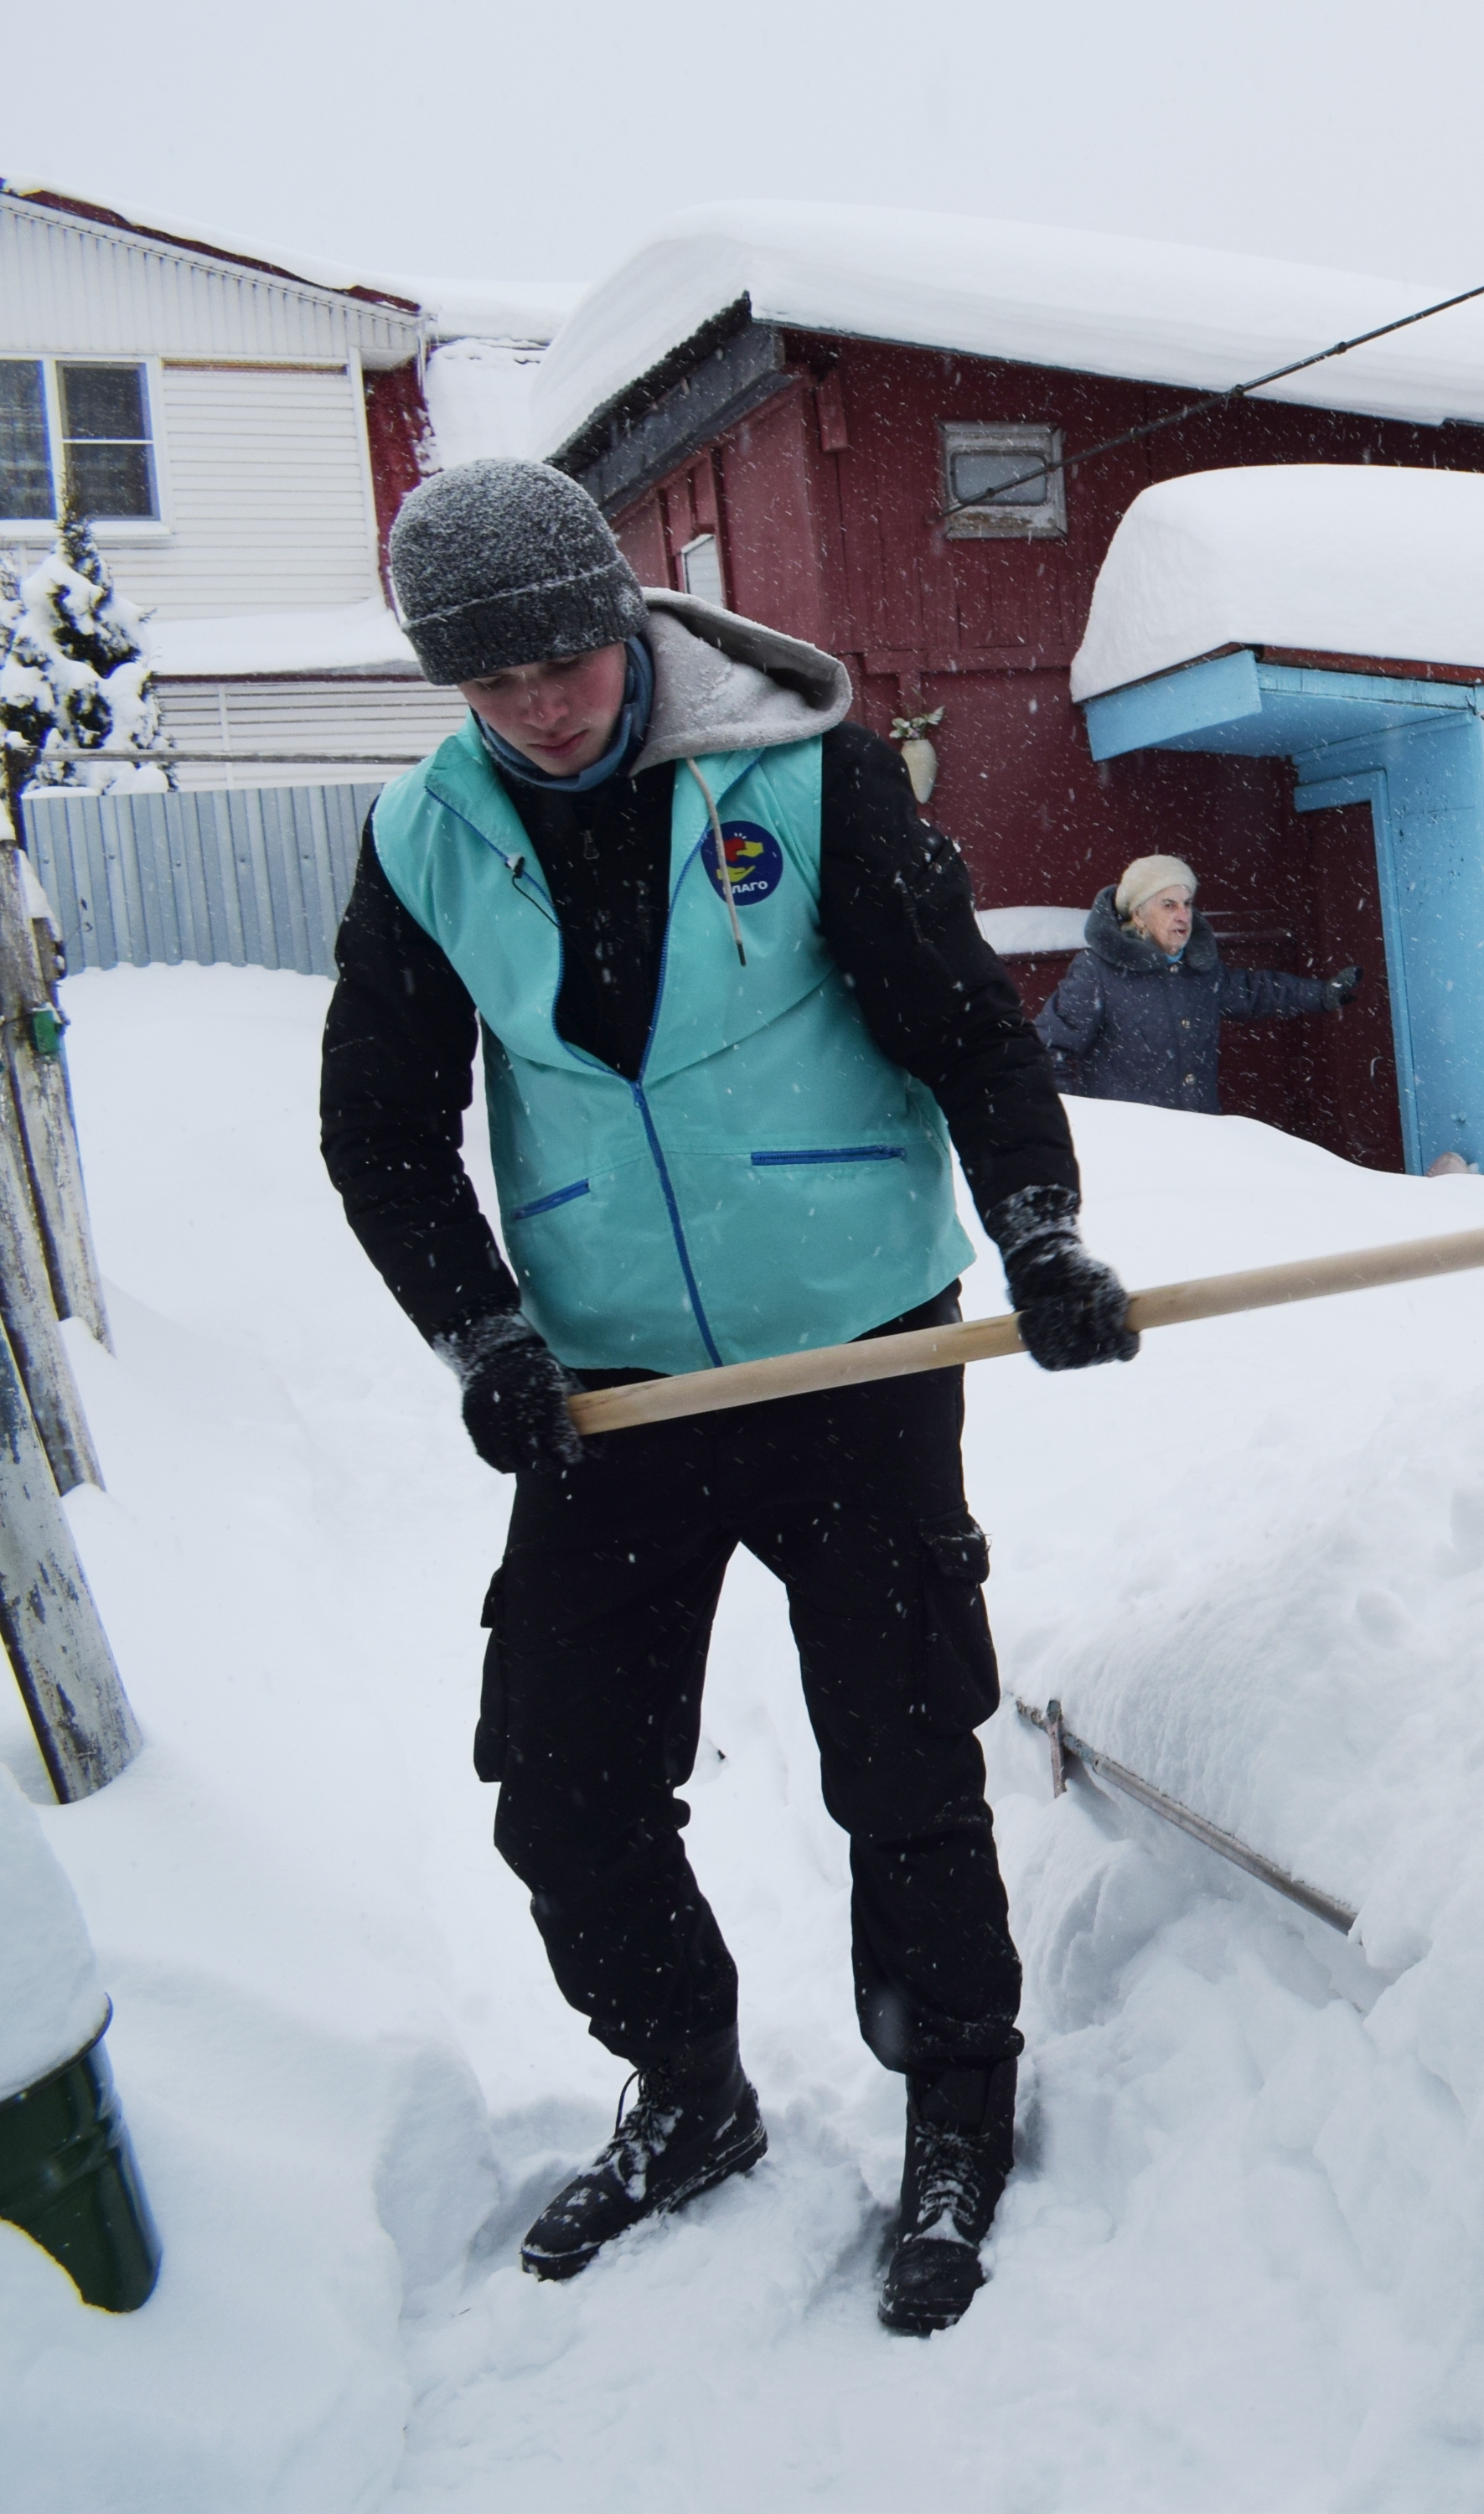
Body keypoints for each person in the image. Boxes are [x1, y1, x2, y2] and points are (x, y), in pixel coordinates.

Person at [318, 457, 1142, 2336]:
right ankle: (687, 2090)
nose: (542, 697)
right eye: (492, 674)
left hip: (851, 1338)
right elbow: (379, 1125)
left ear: (614, 614)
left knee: (903, 1756)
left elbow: (954, 1016)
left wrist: (1037, 1235)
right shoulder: (427, 835)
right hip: (613, 1380)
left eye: (560, 650)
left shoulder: (797, 766)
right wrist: (485, 1338)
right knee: (562, 1780)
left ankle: (955, 2109)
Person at [1032, 855, 1359, 1113]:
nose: (1183, 915)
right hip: (1132, 1149)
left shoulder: (1199, 971)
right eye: (1169, 905)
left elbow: (1256, 992)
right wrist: (1076, 1120)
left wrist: (1321, 994)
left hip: (1201, 1139)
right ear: (1139, 914)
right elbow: (1046, 1049)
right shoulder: (1099, 972)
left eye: (1187, 904)